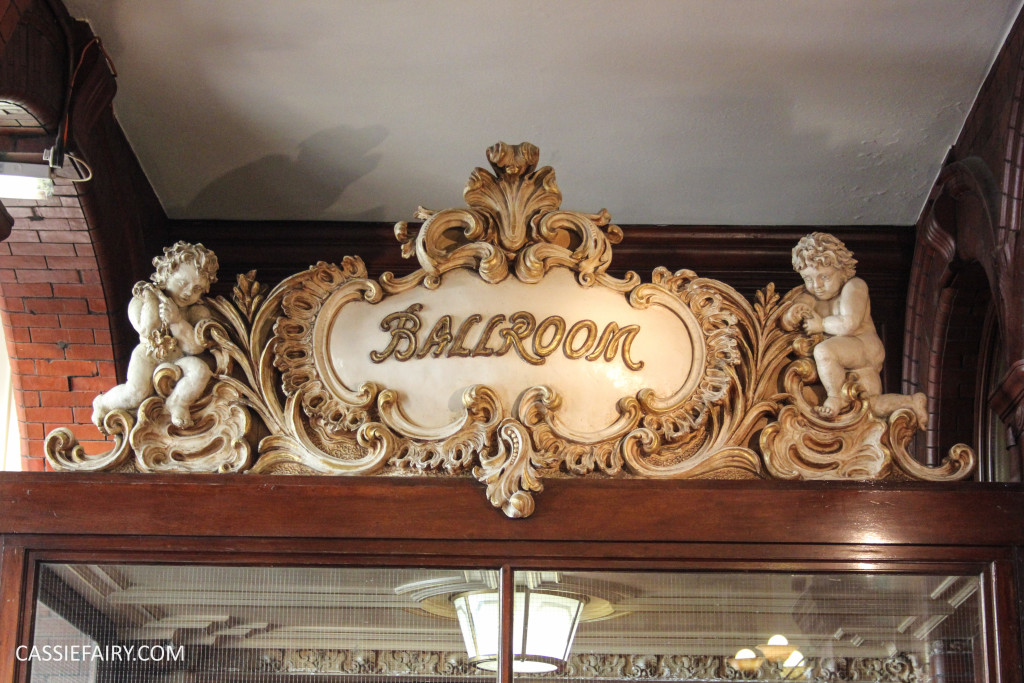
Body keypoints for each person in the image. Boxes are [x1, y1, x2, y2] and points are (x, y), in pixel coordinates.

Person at [791, 233, 927, 425]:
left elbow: (849, 323)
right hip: (850, 360)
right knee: (871, 405)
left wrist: (820, 325)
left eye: (824, 277)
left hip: (864, 347)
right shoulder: (812, 295)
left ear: (842, 270)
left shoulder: (854, 287)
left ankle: (835, 398)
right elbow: (794, 310)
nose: (817, 285)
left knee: (823, 351)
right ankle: (912, 402)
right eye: (808, 278)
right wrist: (794, 313)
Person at [92, 242, 219, 429]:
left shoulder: (197, 312)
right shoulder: (141, 301)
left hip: (179, 358)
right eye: (182, 283)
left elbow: (194, 348)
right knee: (135, 393)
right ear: (165, 275)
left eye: (197, 289)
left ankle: (177, 403)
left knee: (200, 371)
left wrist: (177, 321)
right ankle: (102, 403)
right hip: (148, 355)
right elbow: (146, 330)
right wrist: (151, 300)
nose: (188, 292)